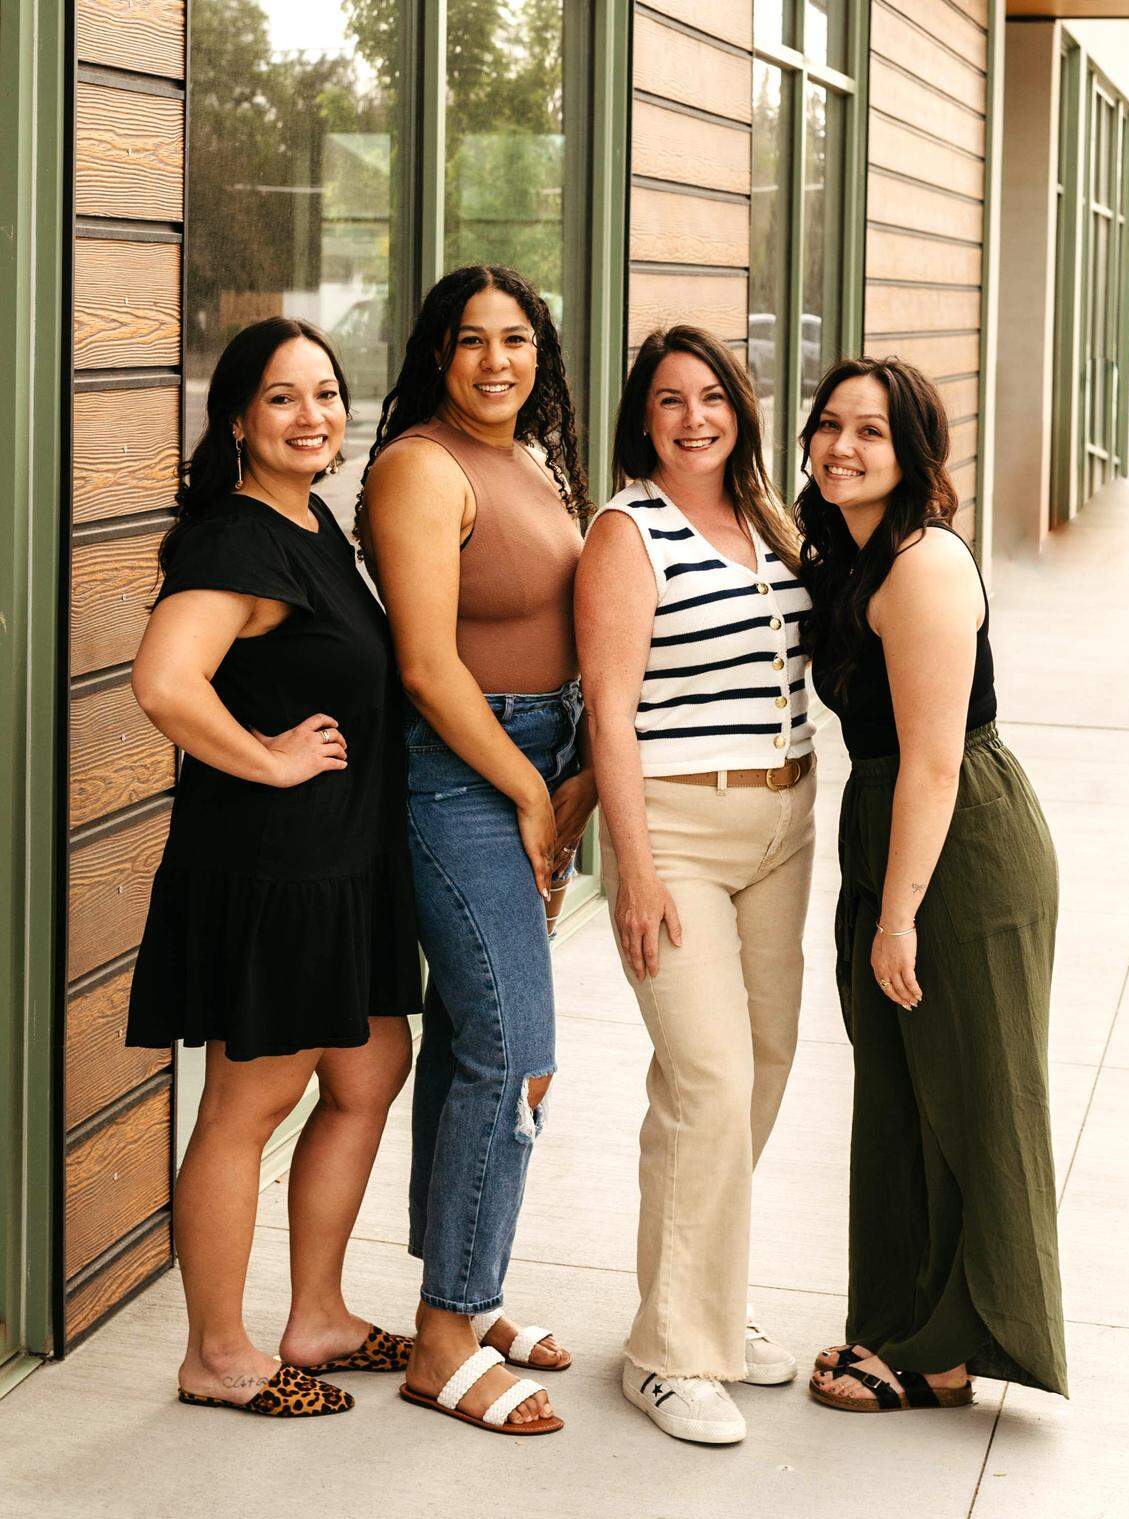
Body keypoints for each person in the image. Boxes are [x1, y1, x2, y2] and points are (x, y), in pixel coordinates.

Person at [126, 318, 422, 1418]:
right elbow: (164, 681)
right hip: (276, 864)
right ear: (240, 419)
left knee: (366, 1067)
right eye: (284, 398)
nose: (314, 415)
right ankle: (216, 1350)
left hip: (341, 864)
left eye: (328, 393)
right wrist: (267, 759)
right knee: (250, 1104)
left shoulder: (311, 526)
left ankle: (319, 1317)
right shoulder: (237, 540)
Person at [799, 356, 1067, 1412]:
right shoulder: (854, 552)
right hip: (898, 829)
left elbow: (936, 759)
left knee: (971, 1094)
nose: (843, 446)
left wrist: (899, 913)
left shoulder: (921, 564)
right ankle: (909, 1328)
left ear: (915, 452)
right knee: (902, 1091)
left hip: (959, 847)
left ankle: (948, 1351)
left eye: (871, 431)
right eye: (829, 425)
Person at [357, 264, 595, 1437]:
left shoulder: (535, 467)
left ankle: (460, 1287)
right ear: (436, 357)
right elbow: (426, 667)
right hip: (463, 778)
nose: (497, 360)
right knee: (517, 1053)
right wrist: (531, 798)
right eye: (470, 341)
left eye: (516, 339)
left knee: (468, 1046)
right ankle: (447, 1331)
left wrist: (568, 783)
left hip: (531, 766)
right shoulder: (418, 466)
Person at [575, 326, 815, 1445]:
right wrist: (630, 866)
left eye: (712, 396)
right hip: (677, 827)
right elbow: (609, 711)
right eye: (669, 401)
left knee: (760, 1065)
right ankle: (670, 1349)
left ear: (743, 406)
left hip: (783, 819)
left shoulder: (770, 517)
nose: (694, 418)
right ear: (644, 419)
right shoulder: (629, 531)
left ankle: (705, 1301)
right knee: (707, 1074)